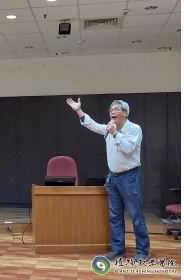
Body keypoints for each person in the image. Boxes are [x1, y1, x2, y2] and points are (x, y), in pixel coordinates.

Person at [66, 97, 150, 261]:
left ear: (125, 112)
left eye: (117, 109)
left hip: (129, 177)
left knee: (136, 215)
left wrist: (115, 134)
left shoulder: (134, 129)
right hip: (113, 178)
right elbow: (91, 124)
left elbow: (128, 149)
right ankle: (118, 249)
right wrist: (78, 110)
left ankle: (142, 251)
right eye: (111, 109)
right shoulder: (108, 128)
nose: (112, 111)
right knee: (115, 216)